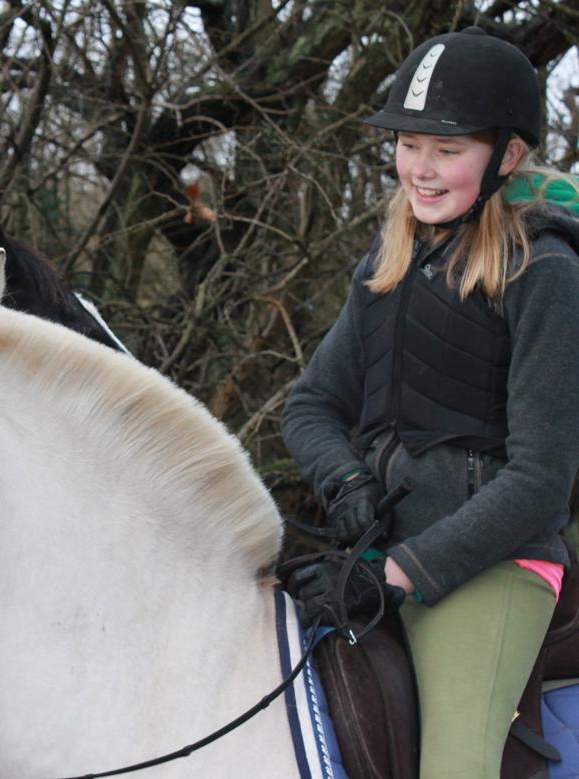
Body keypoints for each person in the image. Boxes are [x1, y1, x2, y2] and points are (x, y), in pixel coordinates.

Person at [281, 27, 579, 778]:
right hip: (377, 553)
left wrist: (401, 572)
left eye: (448, 149)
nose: (421, 168)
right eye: (410, 144)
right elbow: (311, 403)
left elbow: (541, 478)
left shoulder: (546, 274)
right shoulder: (386, 263)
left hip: (499, 566)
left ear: (507, 156)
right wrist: (345, 483)